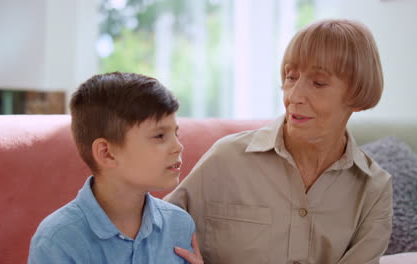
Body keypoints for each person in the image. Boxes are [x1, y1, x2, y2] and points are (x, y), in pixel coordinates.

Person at [165, 19, 393, 264]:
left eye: (318, 83)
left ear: (357, 95)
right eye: (291, 77)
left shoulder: (373, 189)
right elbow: (152, 231)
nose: (293, 96)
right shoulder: (226, 158)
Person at [28, 72, 203, 264]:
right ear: (106, 153)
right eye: (160, 136)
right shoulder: (57, 241)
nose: (178, 146)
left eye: (176, 134)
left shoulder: (180, 224)